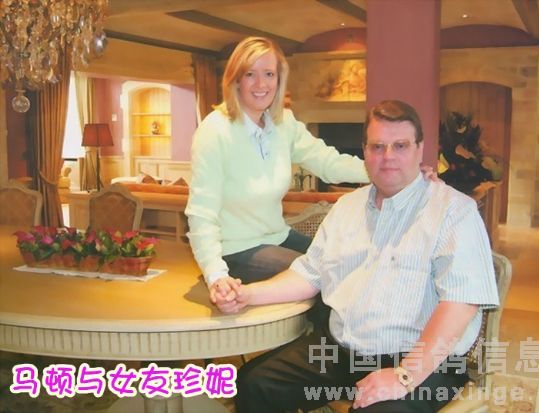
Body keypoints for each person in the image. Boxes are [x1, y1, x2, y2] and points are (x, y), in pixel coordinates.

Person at [214, 100, 500, 412]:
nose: (388, 156)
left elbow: (460, 304)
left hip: (422, 361)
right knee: (255, 383)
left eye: (400, 146)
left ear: (420, 149)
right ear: (364, 151)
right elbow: (308, 274)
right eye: (377, 146)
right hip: (339, 353)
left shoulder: (454, 212)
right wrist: (246, 294)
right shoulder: (346, 208)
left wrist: (404, 375)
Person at [185, 37, 435, 301]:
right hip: (235, 250)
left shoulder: (282, 123)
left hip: (277, 236)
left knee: (345, 262)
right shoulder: (215, 131)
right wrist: (216, 274)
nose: (261, 84)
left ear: (279, 79)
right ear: (235, 79)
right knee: (328, 278)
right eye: (250, 74)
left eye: (269, 74)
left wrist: (389, 170)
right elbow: (201, 213)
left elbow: (327, 162)